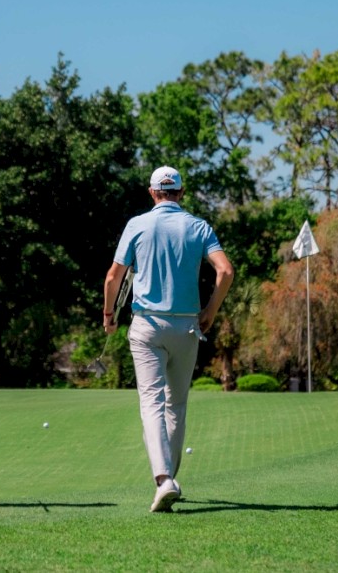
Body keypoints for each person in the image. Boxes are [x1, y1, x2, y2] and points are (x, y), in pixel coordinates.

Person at [104, 166, 234, 512]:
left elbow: (113, 277)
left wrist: (108, 315)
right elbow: (225, 271)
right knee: (176, 405)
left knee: (151, 402)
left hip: (147, 325)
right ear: (181, 192)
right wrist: (210, 311)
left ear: (152, 193)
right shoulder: (198, 226)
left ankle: (164, 480)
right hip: (187, 327)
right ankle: (170, 479)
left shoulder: (137, 224)